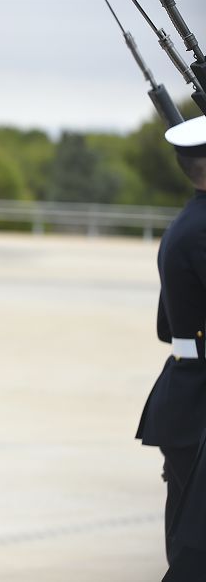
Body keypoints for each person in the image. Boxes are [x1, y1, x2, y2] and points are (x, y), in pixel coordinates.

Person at [137, 114, 206, 570]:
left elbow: (168, 327)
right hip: (197, 402)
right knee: (193, 553)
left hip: (186, 391)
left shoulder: (189, 221)